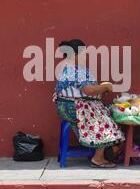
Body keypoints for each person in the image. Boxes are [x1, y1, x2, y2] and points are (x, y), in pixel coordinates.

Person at [54, 39, 125, 168]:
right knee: (104, 119)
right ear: (75, 55)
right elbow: (88, 90)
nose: (86, 56)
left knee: (107, 110)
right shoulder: (74, 71)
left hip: (68, 106)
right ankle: (98, 158)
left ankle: (104, 150)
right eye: (84, 53)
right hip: (72, 107)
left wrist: (100, 89)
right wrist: (105, 87)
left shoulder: (69, 68)